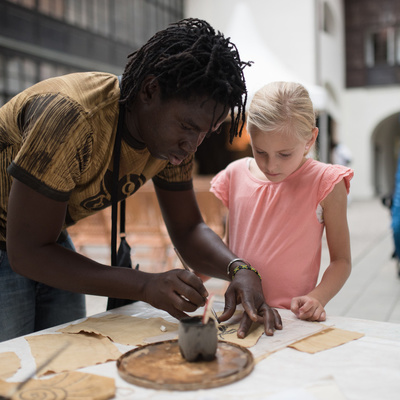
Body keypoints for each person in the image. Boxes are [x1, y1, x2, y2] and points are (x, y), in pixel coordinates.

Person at [0, 18, 282, 342]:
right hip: (23, 243)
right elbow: (27, 252)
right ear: (150, 90)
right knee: (11, 373)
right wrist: (145, 285)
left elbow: (188, 229)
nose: (193, 145)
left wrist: (240, 269)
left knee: (65, 369)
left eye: (206, 133)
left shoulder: (173, 141)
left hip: (46, 239)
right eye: (188, 127)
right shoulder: (73, 116)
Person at [210, 81, 353, 322]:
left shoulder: (326, 182)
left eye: (284, 154)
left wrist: (318, 297)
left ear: (310, 138)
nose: (270, 165)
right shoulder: (234, 174)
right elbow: (230, 242)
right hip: (239, 312)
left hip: (291, 319)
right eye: (260, 151)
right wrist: (197, 271)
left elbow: (342, 260)